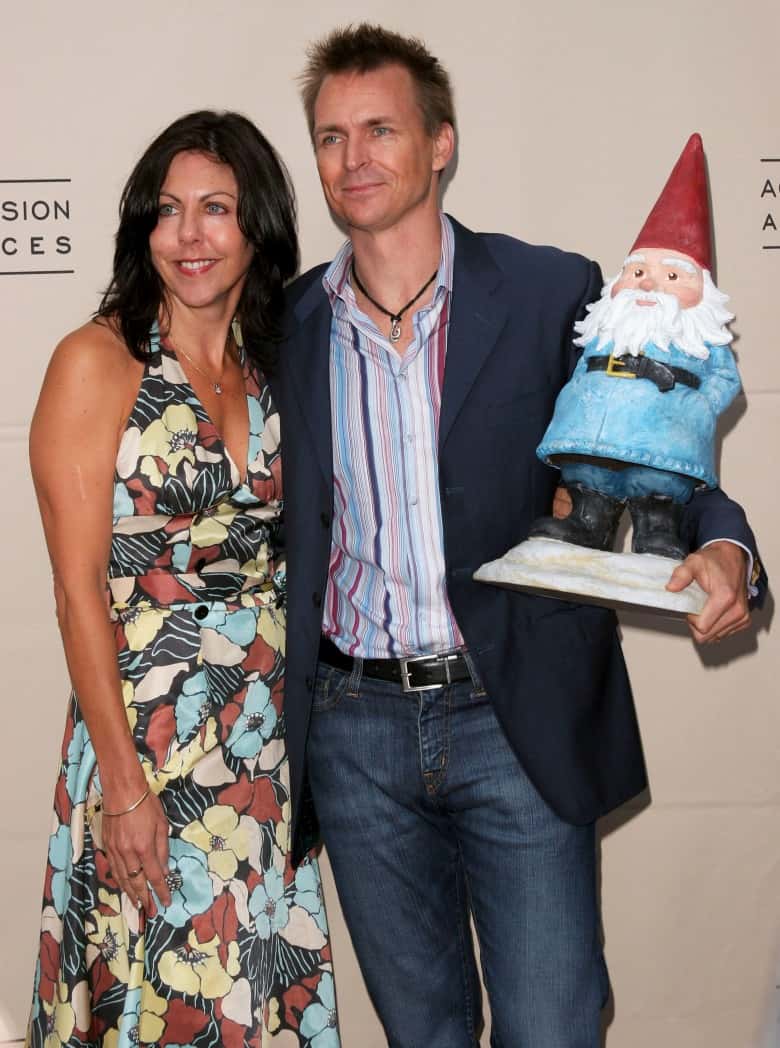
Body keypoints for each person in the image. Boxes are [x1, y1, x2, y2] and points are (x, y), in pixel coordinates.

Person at [276, 24, 767, 1048]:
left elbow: (649, 432)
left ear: (441, 143)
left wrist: (726, 546)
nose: (353, 157)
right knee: (425, 1033)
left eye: (380, 130)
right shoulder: (286, 327)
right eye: (330, 136)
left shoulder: (550, 291)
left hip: (511, 715)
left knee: (553, 1026)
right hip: (354, 730)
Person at [26, 111, 338, 1047]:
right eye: (168, 210)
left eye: (216, 209)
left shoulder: (274, 363)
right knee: (164, 994)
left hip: (262, 747)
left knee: (252, 994)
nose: (189, 235)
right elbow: (78, 592)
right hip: (150, 740)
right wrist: (124, 786)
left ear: (259, 228)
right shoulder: (98, 360)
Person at [533, 133, 749, 563]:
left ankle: (657, 533)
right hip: (590, 438)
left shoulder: (697, 334)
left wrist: (698, 408)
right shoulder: (607, 325)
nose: (648, 284)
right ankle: (587, 524)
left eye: (672, 277)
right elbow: (582, 366)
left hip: (665, 442)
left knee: (657, 495)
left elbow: (725, 379)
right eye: (637, 272)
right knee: (590, 483)